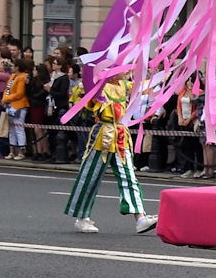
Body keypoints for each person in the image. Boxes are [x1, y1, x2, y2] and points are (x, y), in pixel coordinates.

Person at [64, 74, 158, 236]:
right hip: (102, 135)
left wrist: (164, 75)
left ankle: (140, 218)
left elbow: (143, 86)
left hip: (121, 135)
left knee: (128, 176)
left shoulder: (125, 85)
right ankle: (82, 217)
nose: (128, 71)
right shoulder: (97, 86)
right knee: (90, 176)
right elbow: (84, 102)